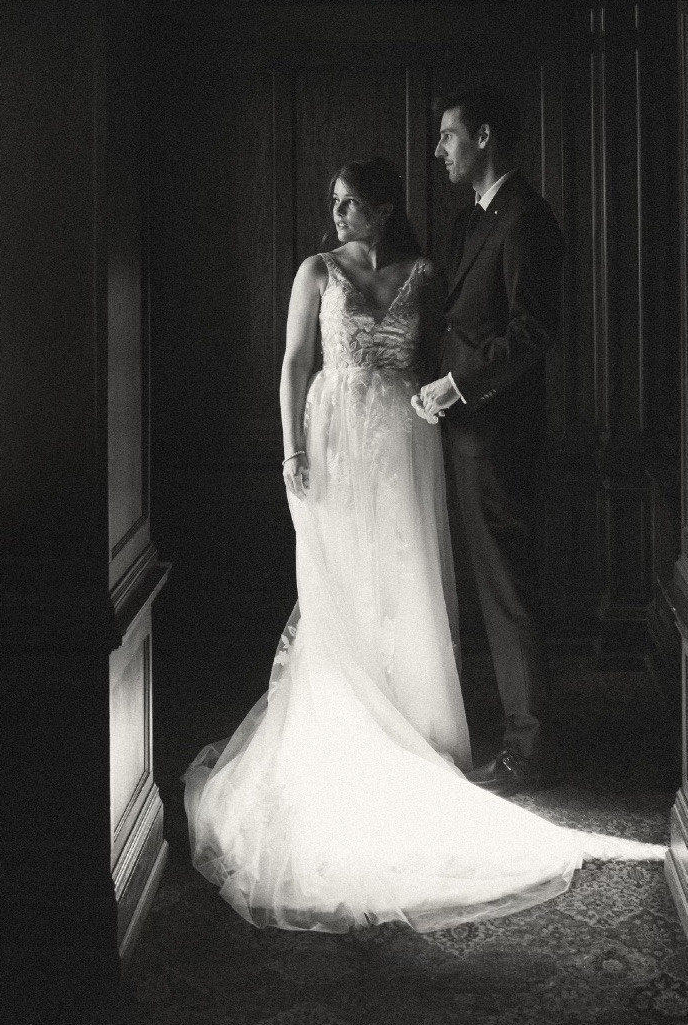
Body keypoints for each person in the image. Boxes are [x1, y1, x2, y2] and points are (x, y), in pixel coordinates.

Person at [185, 157, 660, 933]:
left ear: (384, 209)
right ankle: (340, 729)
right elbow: (294, 364)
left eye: (350, 206)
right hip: (333, 442)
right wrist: (290, 453)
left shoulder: (426, 275)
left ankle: (411, 724)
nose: (337, 217)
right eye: (333, 206)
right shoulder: (315, 271)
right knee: (336, 589)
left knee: (403, 586)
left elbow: (458, 349)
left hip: (406, 447)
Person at [413, 85, 563, 793]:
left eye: (449, 136)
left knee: (506, 589)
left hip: (495, 433)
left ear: (486, 137)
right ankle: (515, 730)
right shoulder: (475, 219)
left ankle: (530, 751)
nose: (440, 150)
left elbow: (532, 334)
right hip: (465, 430)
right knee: (489, 587)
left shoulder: (527, 220)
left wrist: (459, 386)